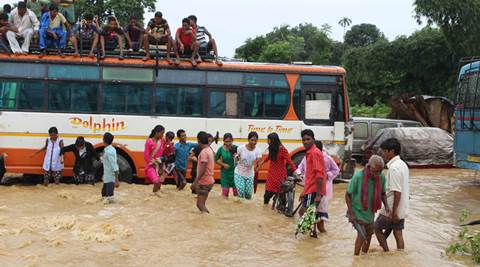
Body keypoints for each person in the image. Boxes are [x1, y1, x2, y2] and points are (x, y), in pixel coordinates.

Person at [345, 155, 389, 255]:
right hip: (357, 210)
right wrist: (351, 213)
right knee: (362, 234)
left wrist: (386, 206)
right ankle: (355, 258)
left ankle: (364, 255)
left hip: (370, 211)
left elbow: (382, 193)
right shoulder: (358, 177)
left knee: (369, 233)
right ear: (369, 167)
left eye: (379, 171)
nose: (377, 174)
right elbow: (348, 195)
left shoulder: (381, 177)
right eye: (375, 171)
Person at [296, 140, 340, 232]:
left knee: (316, 217)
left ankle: (310, 232)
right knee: (313, 216)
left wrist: (327, 175)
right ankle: (312, 233)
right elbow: (300, 169)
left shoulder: (326, 158)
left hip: (321, 190)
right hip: (310, 187)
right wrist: (300, 175)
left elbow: (335, 170)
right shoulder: (307, 157)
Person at [375, 138, 410, 252]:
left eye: (385, 151)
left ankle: (386, 252)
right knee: (397, 232)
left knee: (376, 228)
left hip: (392, 206)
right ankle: (400, 254)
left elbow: (397, 191)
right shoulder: (403, 164)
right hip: (402, 206)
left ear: (392, 151)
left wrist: (393, 211)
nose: (383, 154)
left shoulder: (394, 168)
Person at [298, 129, 326, 238]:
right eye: (303, 140)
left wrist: (318, 194)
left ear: (313, 140)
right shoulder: (309, 153)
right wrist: (304, 191)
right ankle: (312, 234)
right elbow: (310, 176)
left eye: (308, 139)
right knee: (309, 213)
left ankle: (311, 234)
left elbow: (319, 175)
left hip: (314, 190)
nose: (305, 142)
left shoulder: (314, 153)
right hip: (310, 189)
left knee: (303, 212)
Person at [263, 133, 296, 207]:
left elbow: (289, 161)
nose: (267, 141)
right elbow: (269, 156)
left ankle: (282, 208)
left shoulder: (282, 149)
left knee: (281, 195)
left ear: (273, 140)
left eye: (268, 140)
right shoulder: (272, 147)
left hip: (280, 175)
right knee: (267, 196)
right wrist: (262, 163)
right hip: (271, 174)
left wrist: (295, 171)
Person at [234, 132, 263, 200]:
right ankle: (240, 207)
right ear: (248, 139)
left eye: (255, 140)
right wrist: (236, 157)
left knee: (248, 195)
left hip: (250, 174)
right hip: (239, 173)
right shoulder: (241, 148)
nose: (253, 142)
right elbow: (237, 158)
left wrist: (259, 167)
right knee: (241, 191)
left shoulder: (258, 150)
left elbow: (259, 161)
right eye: (252, 140)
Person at [191, 131, 215, 213]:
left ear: (198, 141)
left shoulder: (204, 152)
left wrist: (195, 181)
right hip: (209, 180)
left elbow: (203, 169)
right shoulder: (209, 150)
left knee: (200, 205)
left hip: (204, 182)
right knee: (202, 204)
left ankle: (209, 218)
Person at [144, 125, 165, 193]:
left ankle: (156, 197)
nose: (162, 135)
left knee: (159, 183)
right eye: (161, 133)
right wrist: (153, 163)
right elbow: (146, 156)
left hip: (160, 165)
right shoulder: (149, 142)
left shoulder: (162, 140)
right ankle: (154, 195)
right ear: (156, 132)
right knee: (156, 181)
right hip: (151, 165)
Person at [216, 133, 237, 198]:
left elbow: (241, 160)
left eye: (229, 141)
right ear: (223, 141)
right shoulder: (221, 149)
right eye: (226, 141)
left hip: (235, 173)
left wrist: (237, 157)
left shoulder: (236, 148)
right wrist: (223, 164)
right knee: (225, 193)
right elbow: (216, 159)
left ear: (232, 140)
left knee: (237, 195)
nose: (228, 143)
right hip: (225, 173)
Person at [101, 132, 119, 204]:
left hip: (110, 179)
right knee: (104, 195)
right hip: (107, 177)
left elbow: (115, 166)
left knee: (109, 198)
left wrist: (117, 180)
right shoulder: (111, 149)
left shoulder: (109, 152)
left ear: (104, 140)